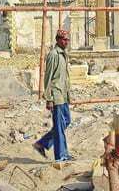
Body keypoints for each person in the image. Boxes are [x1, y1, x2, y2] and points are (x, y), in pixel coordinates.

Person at [33, 29, 74, 162]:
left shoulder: (63, 54)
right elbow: (48, 78)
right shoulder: (53, 55)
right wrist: (49, 99)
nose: (66, 42)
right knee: (59, 125)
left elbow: (64, 78)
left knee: (66, 121)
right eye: (64, 40)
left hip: (63, 95)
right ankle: (61, 156)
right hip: (56, 96)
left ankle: (43, 143)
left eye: (67, 40)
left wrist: (69, 94)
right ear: (58, 40)